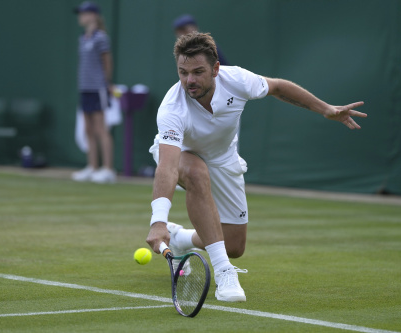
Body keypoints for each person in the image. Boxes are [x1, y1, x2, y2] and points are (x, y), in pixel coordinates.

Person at [146, 32, 367, 302]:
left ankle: (181, 238)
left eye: (197, 72)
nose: (189, 80)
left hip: (224, 159)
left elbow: (278, 87)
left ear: (216, 69)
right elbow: (168, 167)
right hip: (182, 155)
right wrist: (157, 222)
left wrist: (325, 109)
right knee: (195, 173)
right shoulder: (171, 108)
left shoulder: (237, 79)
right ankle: (225, 272)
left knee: (235, 245)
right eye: (183, 72)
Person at [72, 1, 116, 184]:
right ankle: (92, 167)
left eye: (83, 13)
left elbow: (107, 62)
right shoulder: (83, 38)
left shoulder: (101, 38)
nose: (80, 17)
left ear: (93, 15)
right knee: (88, 129)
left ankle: (108, 170)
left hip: (98, 88)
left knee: (101, 128)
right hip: (84, 88)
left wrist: (106, 83)